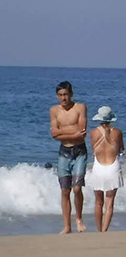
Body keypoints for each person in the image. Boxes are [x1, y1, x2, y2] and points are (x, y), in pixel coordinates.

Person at [50, 80, 88, 234]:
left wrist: (62, 133)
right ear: (57, 96)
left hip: (79, 151)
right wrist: (72, 134)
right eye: (60, 95)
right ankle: (67, 226)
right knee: (65, 190)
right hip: (63, 152)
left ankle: (78, 219)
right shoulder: (54, 110)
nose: (63, 98)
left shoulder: (80, 107)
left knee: (77, 188)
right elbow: (54, 134)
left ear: (71, 94)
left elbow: (82, 132)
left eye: (66, 94)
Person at [90, 106, 123, 233]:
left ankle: (99, 231)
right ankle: (104, 230)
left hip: (98, 167)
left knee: (98, 202)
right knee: (109, 203)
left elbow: (94, 150)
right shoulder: (118, 132)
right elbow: (121, 150)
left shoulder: (93, 133)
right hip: (112, 167)